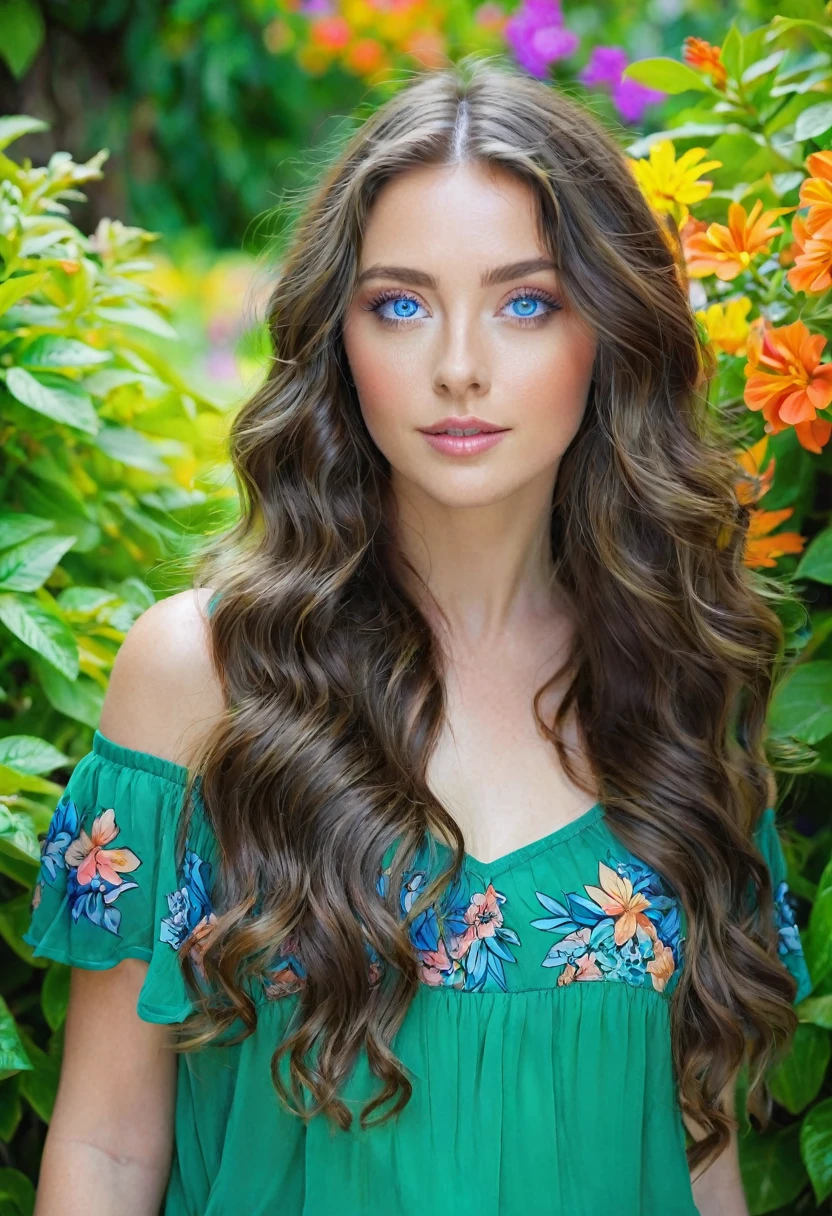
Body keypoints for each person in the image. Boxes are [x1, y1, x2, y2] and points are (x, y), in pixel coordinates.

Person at [25, 53, 812, 1216]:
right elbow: (103, 1150)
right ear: (336, 339)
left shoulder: (682, 682)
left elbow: (694, 1154)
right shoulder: (201, 676)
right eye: (399, 304)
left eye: (525, 302)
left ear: (609, 333)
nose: (457, 367)